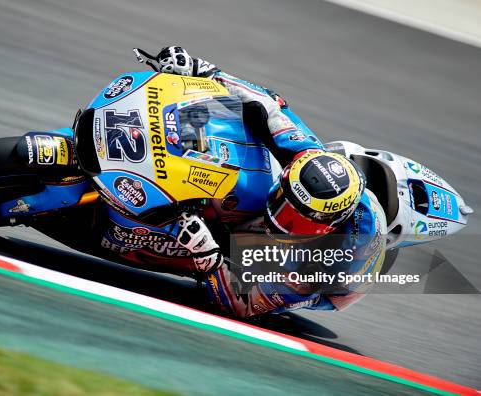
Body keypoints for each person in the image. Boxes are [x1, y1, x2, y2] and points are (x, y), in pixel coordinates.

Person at [102, 47, 388, 318]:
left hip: (325, 283)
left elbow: (243, 305)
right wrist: (202, 70)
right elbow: (267, 104)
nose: (278, 213)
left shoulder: (318, 268)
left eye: (290, 215)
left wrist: (206, 253)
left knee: (238, 252)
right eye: (283, 198)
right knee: (239, 130)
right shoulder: (307, 155)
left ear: (321, 225)